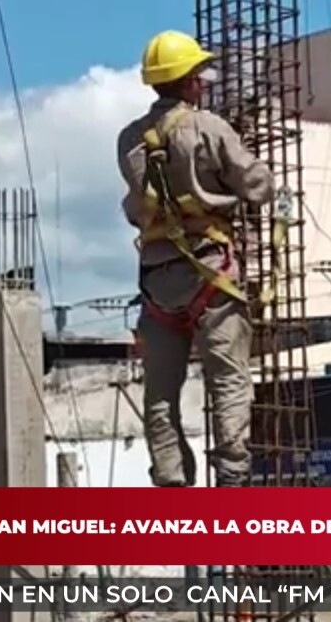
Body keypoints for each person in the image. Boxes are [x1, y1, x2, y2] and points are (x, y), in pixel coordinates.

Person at [117, 29, 276, 488]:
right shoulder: (209, 128)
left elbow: (136, 209)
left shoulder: (129, 139)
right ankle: (231, 482)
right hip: (212, 275)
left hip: (157, 284)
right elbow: (257, 186)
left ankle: (172, 484)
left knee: (160, 397)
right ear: (190, 81)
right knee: (228, 380)